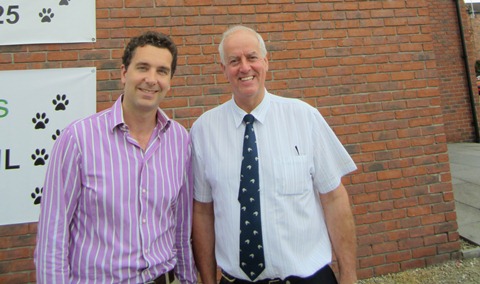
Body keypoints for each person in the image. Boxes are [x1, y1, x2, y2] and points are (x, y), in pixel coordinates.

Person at [191, 25, 358, 284]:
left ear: (266, 62)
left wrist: (349, 274)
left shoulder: (304, 117)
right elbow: (202, 211)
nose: (244, 67)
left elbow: (334, 198)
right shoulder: (203, 130)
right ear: (223, 70)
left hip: (307, 278)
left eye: (252, 57)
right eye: (234, 61)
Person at [35, 31, 197, 284]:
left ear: (170, 80)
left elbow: (181, 227)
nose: (151, 79)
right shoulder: (78, 138)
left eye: (162, 71)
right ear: (124, 73)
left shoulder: (179, 140)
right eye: (142, 67)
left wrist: (188, 279)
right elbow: (52, 237)